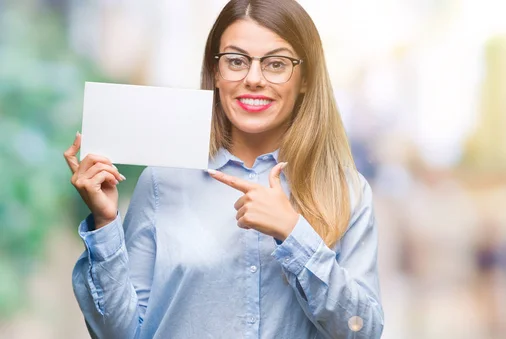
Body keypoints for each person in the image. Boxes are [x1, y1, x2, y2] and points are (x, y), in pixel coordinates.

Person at [63, 0, 384, 338]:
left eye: (276, 64)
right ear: (216, 72)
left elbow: (362, 330)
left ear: (305, 79)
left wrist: (294, 233)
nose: (254, 79)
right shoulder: (163, 180)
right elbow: (118, 334)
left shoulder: (346, 189)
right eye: (236, 61)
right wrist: (104, 224)